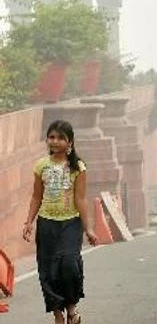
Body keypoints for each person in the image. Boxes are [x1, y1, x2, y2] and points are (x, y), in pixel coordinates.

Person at [23, 120, 98, 324]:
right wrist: (29, 222)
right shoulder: (41, 165)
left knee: (68, 264)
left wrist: (88, 229)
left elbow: (81, 199)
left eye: (59, 138)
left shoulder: (78, 167)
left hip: (70, 223)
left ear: (69, 142)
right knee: (48, 269)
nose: (54, 141)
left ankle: (71, 308)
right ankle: (58, 314)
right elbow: (36, 196)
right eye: (51, 137)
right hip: (47, 223)